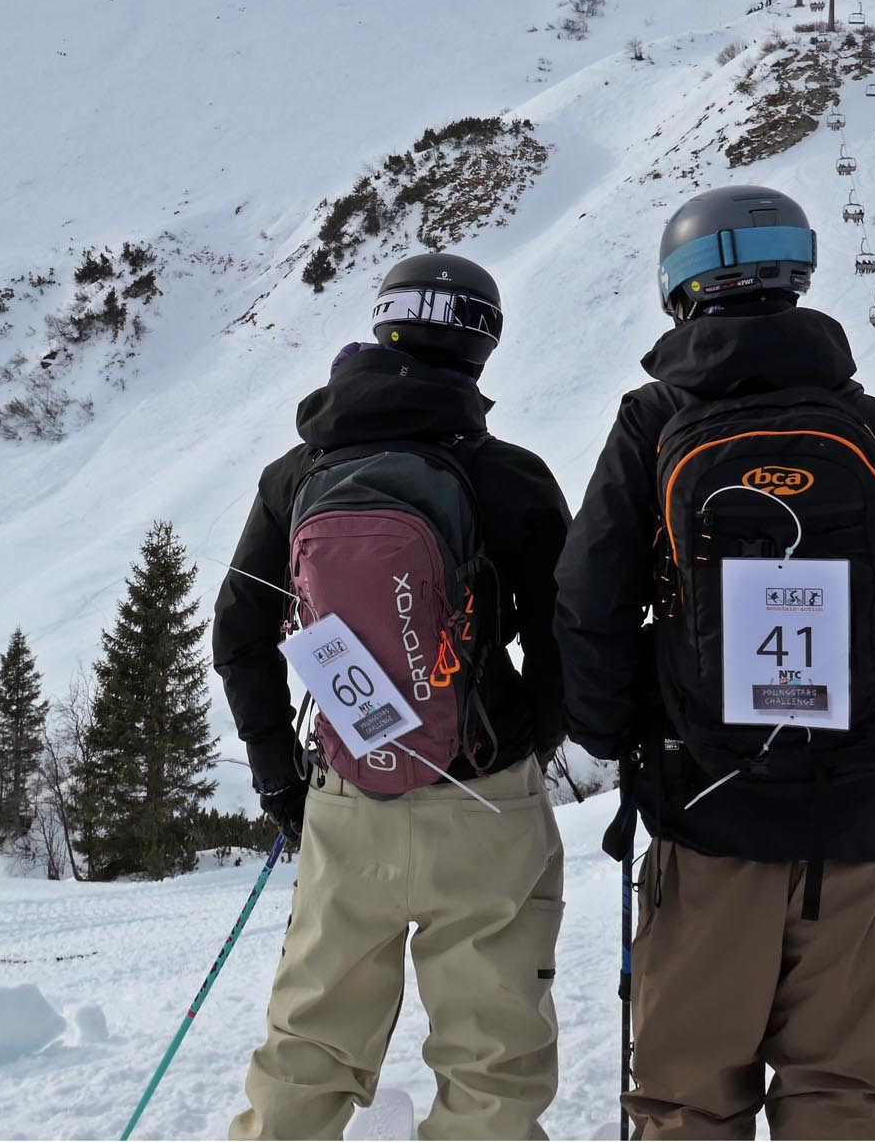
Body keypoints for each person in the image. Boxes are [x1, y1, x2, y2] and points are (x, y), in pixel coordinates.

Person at [556, 184, 875, 1140]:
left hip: (707, 822)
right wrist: (873, 747)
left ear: (680, 290)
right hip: (862, 830)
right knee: (853, 1099)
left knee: (689, 1100)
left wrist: (619, 739)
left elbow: (588, 597)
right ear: (800, 276)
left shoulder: (652, 424)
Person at [214, 252, 571, 1141]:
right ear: (482, 347)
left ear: (383, 326)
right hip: (485, 794)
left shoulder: (295, 476)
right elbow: (571, 634)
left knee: (308, 1047)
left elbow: (240, 635)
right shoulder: (511, 477)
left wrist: (279, 781)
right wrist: (533, 733)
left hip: (348, 795)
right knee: (493, 1061)